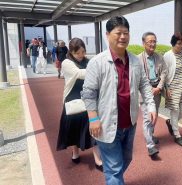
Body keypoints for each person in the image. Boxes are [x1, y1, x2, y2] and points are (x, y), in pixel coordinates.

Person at [81, 16, 156, 185]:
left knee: (125, 159)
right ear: (107, 35)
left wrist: (151, 106)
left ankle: (112, 178)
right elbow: (88, 93)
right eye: (118, 33)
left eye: (126, 33)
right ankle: (113, 178)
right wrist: (93, 118)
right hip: (106, 125)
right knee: (115, 168)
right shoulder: (97, 62)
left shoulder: (135, 61)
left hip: (129, 123)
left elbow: (144, 84)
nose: (123, 37)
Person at [56, 38, 102, 170]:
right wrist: (97, 70)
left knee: (92, 128)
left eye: (83, 52)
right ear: (71, 52)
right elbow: (79, 74)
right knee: (73, 129)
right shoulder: (66, 62)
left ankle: (97, 158)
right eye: (78, 53)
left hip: (87, 99)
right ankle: (75, 152)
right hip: (72, 99)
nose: (81, 55)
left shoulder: (88, 61)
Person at [138, 32, 168, 159]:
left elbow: (164, 73)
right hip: (145, 93)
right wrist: (149, 88)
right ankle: (150, 146)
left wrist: (159, 87)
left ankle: (150, 134)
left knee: (154, 116)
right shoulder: (137, 59)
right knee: (147, 118)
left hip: (157, 90)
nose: (153, 44)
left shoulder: (160, 57)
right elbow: (138, 77)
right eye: (150, 41)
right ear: (143, 43)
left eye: (154, 41)